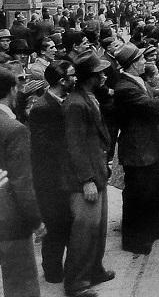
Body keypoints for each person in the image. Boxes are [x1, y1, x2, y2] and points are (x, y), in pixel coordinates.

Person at [114, 43, 159, 255]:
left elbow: (156, 97)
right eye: (142, 59)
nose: (146, 62)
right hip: (137, 149)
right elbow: (153, 106)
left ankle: (151, 227)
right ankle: (134, 239)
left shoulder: (137, 81)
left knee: (152, 190)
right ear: (133, 64)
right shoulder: (125, 88)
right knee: (137, 195)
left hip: (148, 145)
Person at [62, 52, 115, 297]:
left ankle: (95, 270)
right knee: (84, 229)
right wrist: (87, 180)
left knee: (98, 227)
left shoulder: (88, 97)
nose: (103, 76)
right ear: (89, 78)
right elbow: (75, 146)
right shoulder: (75, 104)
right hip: (85, 179)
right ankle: (76, 282)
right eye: (99, 73)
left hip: (97, 170)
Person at [28, 60, 75, 284]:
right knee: (56, 226)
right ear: (61, 81)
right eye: (71, 76)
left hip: (64, 176)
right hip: (51, 180)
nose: (75, 79)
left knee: (66, 224)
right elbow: (44, 148)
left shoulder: (64, 101)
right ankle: (53, 271)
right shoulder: (42, 108)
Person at [0, 66, 42, 297]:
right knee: (21, 283)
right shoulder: (14, 129)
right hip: (10, 218)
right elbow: (23, 182)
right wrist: (36, 221)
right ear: (12, 91)